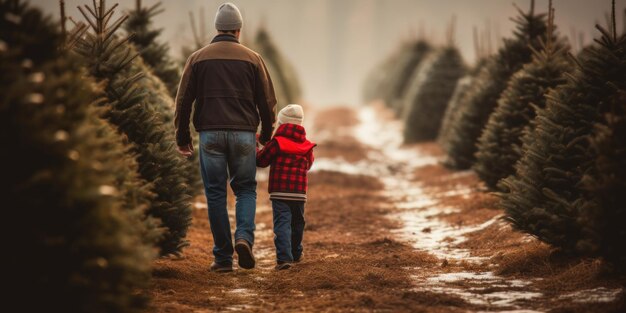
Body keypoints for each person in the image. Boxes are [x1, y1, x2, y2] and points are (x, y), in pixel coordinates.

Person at [174, 2, 277, 273]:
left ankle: (222, 258)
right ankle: (243, 238)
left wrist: (182, 136)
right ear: (238, 30)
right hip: (244, 135)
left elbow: (183, 101)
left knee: (216, 194)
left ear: (217, 28)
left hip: (210, 136)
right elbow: (266, 102)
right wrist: (266, 134)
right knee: (245, 190)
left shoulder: (197, 59)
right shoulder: (253, 59)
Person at [256, 104, 316, 270]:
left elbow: (261, 160)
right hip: (299, 192)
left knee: (282, 224)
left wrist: (255, 147)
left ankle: (284, 259)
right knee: (298, 223)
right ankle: (296, 253)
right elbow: (309, 165)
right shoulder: (307, 146)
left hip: (279, 192)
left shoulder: (277, 143)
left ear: (282, 124)